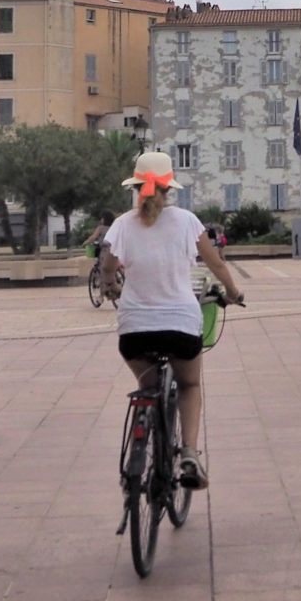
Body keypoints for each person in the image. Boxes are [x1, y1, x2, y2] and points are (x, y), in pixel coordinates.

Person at [100, 150, 243, 490]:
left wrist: (111, 287)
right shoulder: (187, 221)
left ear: (137, 186)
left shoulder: (121, 224)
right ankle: (189, 454)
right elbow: (217, 265)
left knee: (147, 387)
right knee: (189, 385)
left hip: (134, 332)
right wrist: (234, 293)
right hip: (180, 326)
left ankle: (141, 437)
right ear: (169, 188)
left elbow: (108, 265)